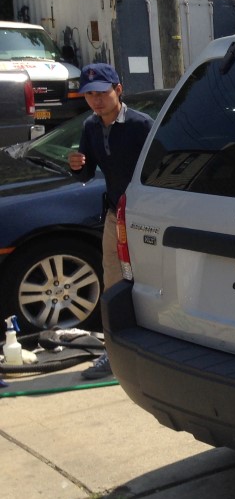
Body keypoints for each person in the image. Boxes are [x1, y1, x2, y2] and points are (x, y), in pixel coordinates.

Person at [68, 63, 154, 379]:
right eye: (89, 95)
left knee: (152, 282)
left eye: (102, 93)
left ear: (118, 90)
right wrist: (77, 166)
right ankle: (113, 353)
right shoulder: (90, 126)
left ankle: (153, 350)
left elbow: (161, 172)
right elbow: (86, 172)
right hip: (113, 217)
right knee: (113, 284)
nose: (96, 100)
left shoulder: (141, 125)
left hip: (145, 219)